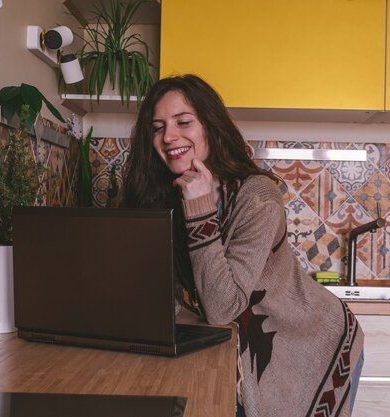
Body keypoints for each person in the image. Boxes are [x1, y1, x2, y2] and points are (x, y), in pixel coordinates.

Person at [123, 74, 364, 417]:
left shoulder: (258, 197)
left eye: (183, 122)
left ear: (211, 125)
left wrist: (200, 208)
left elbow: (224, 307)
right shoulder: (166, 195)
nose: (168, 136)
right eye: (157, 127)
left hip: (312, 346)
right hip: (240, 352)